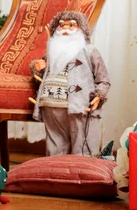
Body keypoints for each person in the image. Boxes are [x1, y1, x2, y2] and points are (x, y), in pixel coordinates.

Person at [30, 11, 111, 156]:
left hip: (79, 107)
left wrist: (99, 95)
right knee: (54, 148)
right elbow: (42, 72)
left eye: (72, 25)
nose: (66, 29)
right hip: (50, 107)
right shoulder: (52, 50)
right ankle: (56, 175)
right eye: (61, 25)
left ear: (82, 29)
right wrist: (37, 67)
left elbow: (103, 79)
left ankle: (84, 175)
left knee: (83, 149)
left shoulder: (90, 51)